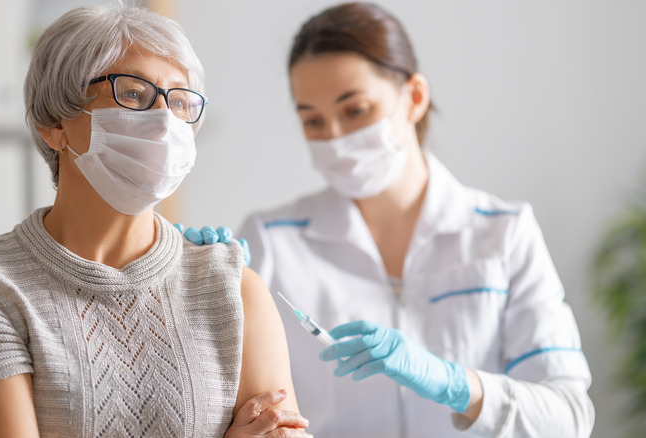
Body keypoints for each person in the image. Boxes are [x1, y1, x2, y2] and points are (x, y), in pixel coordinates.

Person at [0, 5, 311, 438]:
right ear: (53, 124)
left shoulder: (232, 287)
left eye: (181, 101)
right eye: (133, 94)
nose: (165, 120)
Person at [233, 2, 594, 437]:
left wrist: (457, 385)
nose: (335, 138)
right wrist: (189, 276)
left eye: (355, 110)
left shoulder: (504, 234)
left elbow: (570, 418)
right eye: (313, 121)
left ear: (415, 97)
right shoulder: (271, 243)